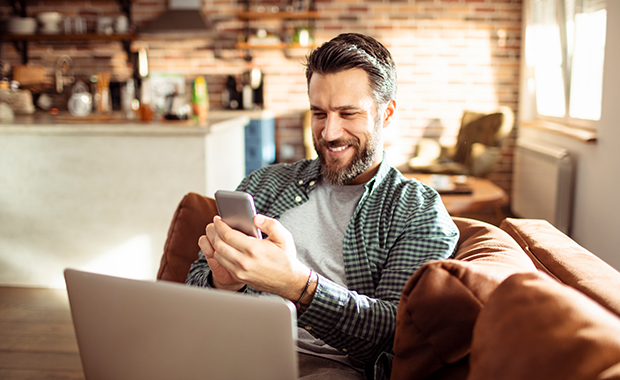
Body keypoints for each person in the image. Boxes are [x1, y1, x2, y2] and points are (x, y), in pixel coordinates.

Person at [186, 33, 459, 380]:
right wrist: (223, 284)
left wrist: (296, 284)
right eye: (319, 113)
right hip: (229, 353)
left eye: (348, 113)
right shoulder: (263, 184)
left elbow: (396, 333)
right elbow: (190, 288)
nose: (330, 133)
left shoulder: (417, 211)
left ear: (386, 113)